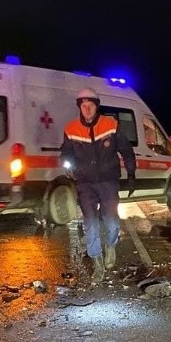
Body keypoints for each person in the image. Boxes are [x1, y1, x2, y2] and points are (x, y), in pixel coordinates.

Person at [61, 88, 136, 278]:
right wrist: (67, 164)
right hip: (85, 182)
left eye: (90, 106)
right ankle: (97, 261)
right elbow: (66, 151)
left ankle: (111, 246)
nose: (87, 110)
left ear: (96, 107)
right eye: (84, 106)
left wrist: (131, 174)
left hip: (108, 181)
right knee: (91, 223)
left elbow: (126, 150)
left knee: (111, 222)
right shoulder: (71, 129)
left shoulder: (111, 124)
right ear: (80, 107)